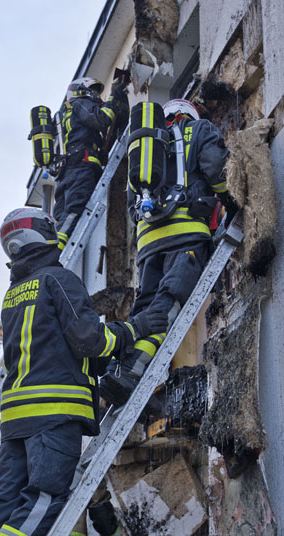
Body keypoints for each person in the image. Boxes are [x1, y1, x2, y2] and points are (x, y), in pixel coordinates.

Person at [0, 207, 166, 536]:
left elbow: (57, 348)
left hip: (17, 418)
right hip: (53, 414)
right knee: (43, 498)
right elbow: (91, 340)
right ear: (44, 236)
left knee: (3, 506)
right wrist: (136, 329)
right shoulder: (58, 279)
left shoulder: (15, 293)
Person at [100, 98, 234, 405]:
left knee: (145, 308)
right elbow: (216, 168)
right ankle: (132, 372)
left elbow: (133, 205)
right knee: (168, 303)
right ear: (190, 115)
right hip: (186, 234)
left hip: (148, 244)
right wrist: (230, 199)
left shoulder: (144, 147)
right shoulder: (200, 129)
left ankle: (117, 368)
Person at [53, 77, 128, 243]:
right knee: (75, 210)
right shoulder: (80, 103)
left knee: (61, 215)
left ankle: (56, 244)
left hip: (65, 172)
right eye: (93, 91)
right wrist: (114, 98)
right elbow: (101, 119)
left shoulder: (65, 113)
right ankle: (58, 248)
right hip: (81, 167)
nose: (96, 95)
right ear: (81, 90)